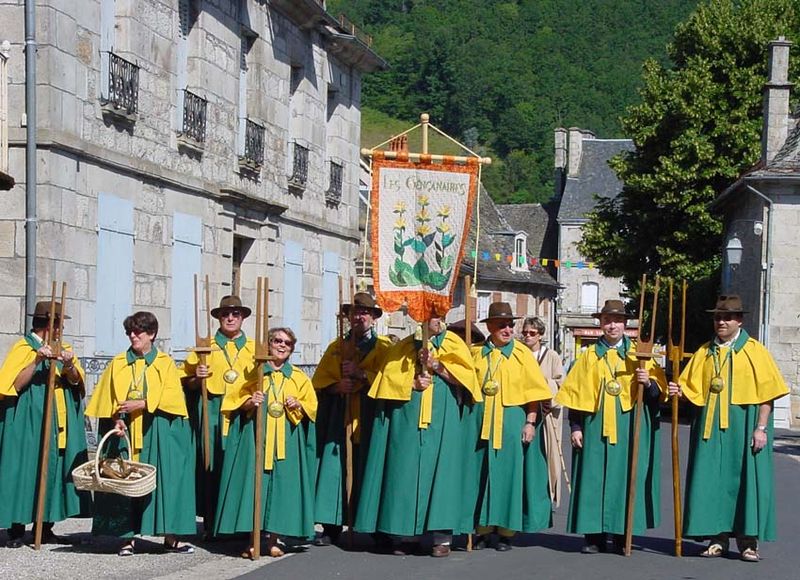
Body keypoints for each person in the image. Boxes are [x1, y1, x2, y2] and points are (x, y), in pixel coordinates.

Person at [669, 295, 789, 562]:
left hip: (743, 423)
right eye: (717, 318)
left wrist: (761, 428)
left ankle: (748, 542)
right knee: (712, 480)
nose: (721, 322)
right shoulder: (704, 351)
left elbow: (766, 394)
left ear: (739, 321)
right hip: (710, 427)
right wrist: (680, 391)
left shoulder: (755, 351)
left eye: (727, 318)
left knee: (747, 481)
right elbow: (692, 388)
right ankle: (717, 538)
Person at [355, 316, 481, 557]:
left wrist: (436, 366)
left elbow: (467, 381)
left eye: (437, 316)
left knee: (443, 475)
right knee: (405, 473)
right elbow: (385, 382)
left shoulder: (454, 343)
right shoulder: (402, 346)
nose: (433, 320)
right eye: (428, 316)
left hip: (442, 417)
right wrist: (411, 382)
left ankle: (441, 538)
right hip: (408, 419)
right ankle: (406, 534)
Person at [556, 299, 666, 554]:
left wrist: (648, 382)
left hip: (627, 423)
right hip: (594, 424)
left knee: (623, 478)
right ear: (601, 323)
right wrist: (575, 426)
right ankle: (594, 536)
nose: (612, 325)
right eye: (607, 320)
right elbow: (576, 395)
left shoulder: (640, 355)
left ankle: (620, 534)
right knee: (593, 478)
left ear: (625, 324)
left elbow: (656, 397)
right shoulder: (587, 357)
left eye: (617, 320)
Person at [85, 311, 196, 556]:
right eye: (130, 332)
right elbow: (106, 398)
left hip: (156, 431)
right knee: (123, 479)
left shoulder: (165, 362)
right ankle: (127, 538)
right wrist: (116, 419)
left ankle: (170, 536)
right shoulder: (118, 363)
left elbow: (173, 398)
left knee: (165, 481)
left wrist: (144, 404)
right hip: (124, 431)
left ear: (152, 334)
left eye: (138, 332)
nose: (133, 336)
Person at [214, 327, 317, 559]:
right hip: (257, 438)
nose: (282, 346)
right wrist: (251, 401)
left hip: (286, 440)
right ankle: (253, 541)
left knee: (281, 488)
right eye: (277, 341)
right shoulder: (254, 372)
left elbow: (312, 406)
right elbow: (234, 399)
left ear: (292, 349)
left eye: (287, 343)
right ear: (268, 344)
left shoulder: (299, 377)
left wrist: (298, 404)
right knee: (255, 485)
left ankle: (272, 540)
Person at [0, 301, 90, 547]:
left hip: (58, 421)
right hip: (30, 421)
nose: (61, 330)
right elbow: (13, 385)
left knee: (53, 469)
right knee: (26, 468)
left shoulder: (65, 348)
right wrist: (37, 361)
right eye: (59, 324)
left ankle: (46, 526)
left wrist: (69, 364)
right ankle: (17, 529)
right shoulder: (23, 348)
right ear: (48, 326)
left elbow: (77, 383)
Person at [311, 292, 393, 547]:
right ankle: (332, 524)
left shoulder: (384, 348)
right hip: (342, 415)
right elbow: (320, 381)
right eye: (355, 313)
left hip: (371, 414)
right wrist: (338, 386)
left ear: (373, 317)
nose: (359, 317)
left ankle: (375, 525)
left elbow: (389, 380)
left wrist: (361, 374)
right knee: (336, 468)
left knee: (370, 466)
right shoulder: (337, 347)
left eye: (365, 312)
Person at [472, 302, 553, 551]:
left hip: (511, 419)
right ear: (490, 327)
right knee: (480, 473)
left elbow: (534, 393)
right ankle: (483, 529)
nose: (508, 329)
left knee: (510, 475)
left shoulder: (522, 354)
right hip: (480, 420)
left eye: (510, 325)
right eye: (502, 325)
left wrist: (530, 422)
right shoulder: (475, 353)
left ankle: (506, 531)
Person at [181, 295, 259, 534]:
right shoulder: (205, 346)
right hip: (212, 408)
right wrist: (198, 377)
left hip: (242, 411)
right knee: (211, 463)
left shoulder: (255, 348)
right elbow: (186, 382)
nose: (231, 318)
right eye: (226, 314)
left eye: (236, 314)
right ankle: (211, 521)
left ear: (243, 317)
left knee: (238, 465)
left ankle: (240, 524)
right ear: (218, 317)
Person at [520, 316, 566, 507]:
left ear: (540, 335)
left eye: (532, 333)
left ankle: (545, 496)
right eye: (525, 333)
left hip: (547, 415)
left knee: (546, 456)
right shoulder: (519, 354)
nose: (527, 336)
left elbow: (561, 384)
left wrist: (541, 384)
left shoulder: (551, 356)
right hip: (524, 411)